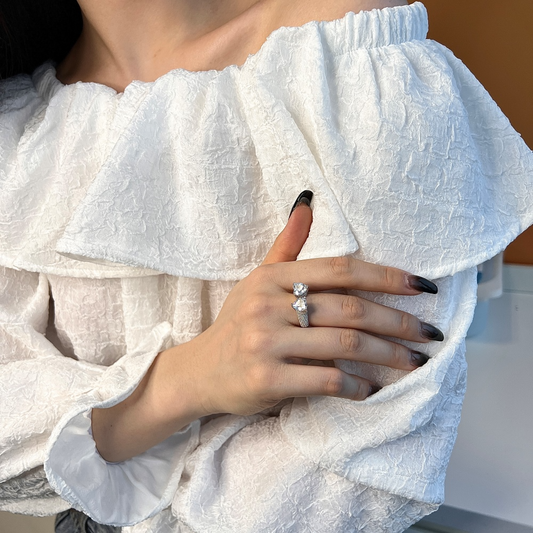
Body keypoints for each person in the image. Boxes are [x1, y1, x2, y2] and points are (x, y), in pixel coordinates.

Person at [1, 1, 532, 532]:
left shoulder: (358, 59)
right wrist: (186, 381)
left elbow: (373, 463)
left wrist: (107, 436)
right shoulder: (16, 123)